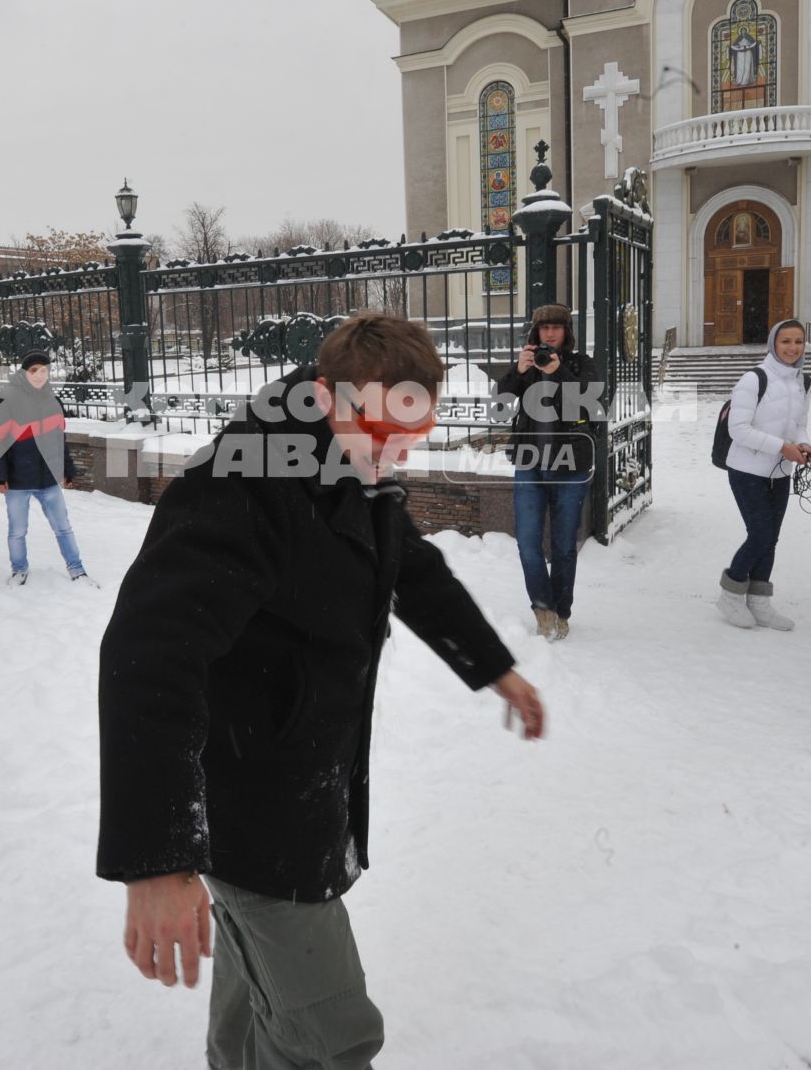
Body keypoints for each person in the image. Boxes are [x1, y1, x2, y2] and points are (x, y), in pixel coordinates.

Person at [96, 311, 546, 1070]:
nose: (398, 449)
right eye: (381, 427)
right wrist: (157, 860)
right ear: (326, 396)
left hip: (294, 782)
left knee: (257, 992)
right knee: (332, 1038)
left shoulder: (350, 461)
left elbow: (407, 564)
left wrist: (491, 663)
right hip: (251, 809)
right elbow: (149, 652)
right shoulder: (245, 484)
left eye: (417, 429)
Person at [495, 303, 599, 639]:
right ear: (535, 332)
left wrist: (559, 373)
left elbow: (590, 402)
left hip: (570, 467)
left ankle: (562, 612)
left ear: (567, 331)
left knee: (564, 546)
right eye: (544, 328)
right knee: (527, 543)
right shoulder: (527, 365)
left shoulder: (582, 364)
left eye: (556, 327)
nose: (550, 333)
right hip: (529, 465)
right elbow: (499, 405)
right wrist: (518, 372)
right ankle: (543, 609)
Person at [716, 319, 811, 630]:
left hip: (780, 472)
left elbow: (799, 423)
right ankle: (731, 594)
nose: (792, 348)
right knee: (760, 534)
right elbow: (738, 429)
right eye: (785, 341)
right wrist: (782, 447)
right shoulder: (753, 379)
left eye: (798, 341)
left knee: (771, 539)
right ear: (773, 343)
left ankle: (759, 601)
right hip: (746, 470)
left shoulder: (802, 381)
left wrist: (803, 444)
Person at [0, 350, 92, 587]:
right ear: (24, 372)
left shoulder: (53, 401)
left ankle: (77, 570)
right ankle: (19, 570)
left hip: (48, 479)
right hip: (17, 480)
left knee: (63, 528)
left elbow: (59, 440)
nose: (39, 375)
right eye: (34, 370)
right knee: (17, 531)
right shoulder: (4, 401)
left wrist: (67, 470)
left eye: (44, 370)